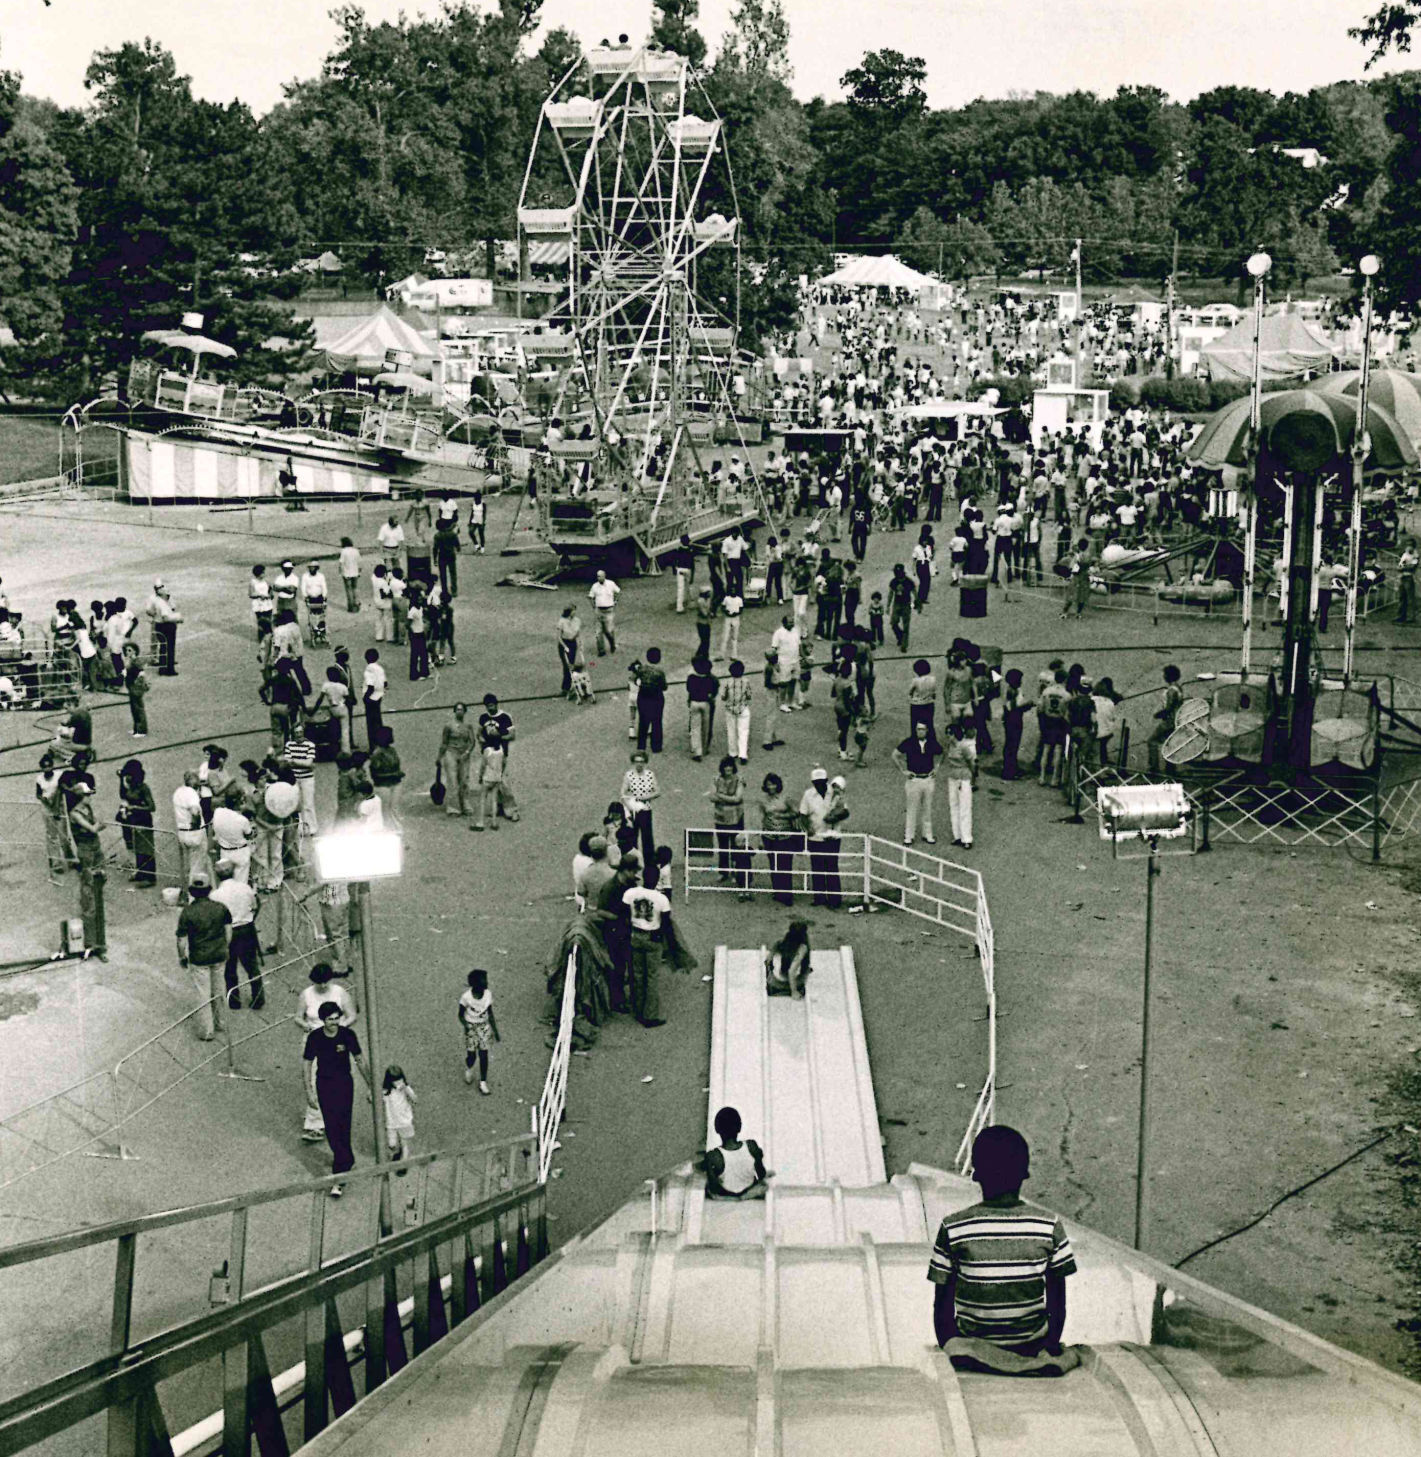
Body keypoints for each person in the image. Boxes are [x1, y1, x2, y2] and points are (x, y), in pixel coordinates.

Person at [928, 1124, 1077, 1370]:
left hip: (972, 1348)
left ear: (976, 1175)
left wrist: (950, 1344)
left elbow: (942, 1304)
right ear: (1024, 1175)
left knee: (960, 1347)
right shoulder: (1049, 1225)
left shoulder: (954, 1227)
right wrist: (1050, 1344)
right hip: (1032, 1346)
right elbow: (1057, 1300)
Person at [303, 1003, 370, 1196]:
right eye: (331, 1019)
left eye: (337, 1018)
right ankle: (345, 1158)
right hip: (324, 1085)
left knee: (343, 1125)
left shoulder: (347, 1035)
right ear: (323, 1020)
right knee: (331, 1128)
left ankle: (339, 1175)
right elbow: (307, 1064)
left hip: (344, 1084)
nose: (335, 1022)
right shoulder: (315, 1038)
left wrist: (371, 1086)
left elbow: (360, 1060)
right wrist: (308, 1091)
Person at [176, 870, 232, 1041]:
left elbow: (181, 940)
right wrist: (224, 947)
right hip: (219, 954)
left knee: (203, 994)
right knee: (219, 990)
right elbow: (228, 932)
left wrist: (182, 957)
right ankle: (221, 1022)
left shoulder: (187, 912)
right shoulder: (220, 908)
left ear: (192, 891)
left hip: (199, 958)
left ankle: (207, 1031)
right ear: (209, 889)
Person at [623, 870, 672, 1026]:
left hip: (635, 935)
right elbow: (666, 922)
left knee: (637, 973)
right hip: (652, 937)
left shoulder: (631, 894)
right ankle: (650, 1014)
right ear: (657, 879)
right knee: (652, 976)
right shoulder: (661, 899)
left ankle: (637, 1008)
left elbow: (624, 914)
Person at [212, 859, 262, 1010]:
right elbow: (254, 905)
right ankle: (258, 998)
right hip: (247, 929)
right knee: (252, 965)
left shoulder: (215, 895)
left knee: (230, 967)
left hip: (228, 932)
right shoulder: (245, 888)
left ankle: (234, 1001)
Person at [799, 766, 844, 909]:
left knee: (831, 868)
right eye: (816, 783)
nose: (819, 785)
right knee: (817, 868)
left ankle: (834, 900)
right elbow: (803, 815)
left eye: (822, 782)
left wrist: (834, 818)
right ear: (813, 783)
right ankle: (819, 898)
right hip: (815, 837)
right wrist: (808, 829)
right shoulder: (808, 795)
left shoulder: (836, 793)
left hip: (832, 837)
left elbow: (844, 811)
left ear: (826, 781)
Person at [894, 720, 944, 846]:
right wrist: (903, 770)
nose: (920, 732)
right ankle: (908, 836)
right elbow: (895, 755)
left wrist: (937, 767)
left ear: (927, 731)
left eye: (922, 729)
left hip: (928, 779)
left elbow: (942, 753)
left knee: (927, 808)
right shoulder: (909, 742)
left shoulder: (932, 743)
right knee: (911, 809)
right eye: (918, 729)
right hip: (914, 779)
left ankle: (927, 834)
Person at [704, 1105, 769, 1201]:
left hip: (728, 1197)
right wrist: (759, 1158)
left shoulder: (713, 1156)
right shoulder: (751, 1146)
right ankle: (743, 1197)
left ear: (717, 1129)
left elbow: (714, 1188)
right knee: (763, 1185)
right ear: (739, 1127)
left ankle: (736, 1198)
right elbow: (761, 1174)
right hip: (750, 1193)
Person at [757, 771, 801, 904]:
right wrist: (761, 836)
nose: (771, 787)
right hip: (769, 836)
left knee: (785, 866)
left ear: (778, 785)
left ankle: (787, 895)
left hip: (785, 837)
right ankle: (777, 892)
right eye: (769, 785)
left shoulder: (786, 798)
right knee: (773, 865)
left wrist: (783, 816)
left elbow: (796, 812)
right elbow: (762, 818)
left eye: (773, 785)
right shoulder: (763, 800)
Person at [458, 968, 500, 1091]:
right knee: (472, 1055)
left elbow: (490, 1013)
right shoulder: (466, 998)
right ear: (475, 985)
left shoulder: (488, 994)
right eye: (484, 981)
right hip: (471, 1027)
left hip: (484, 1027)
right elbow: (460, 1015)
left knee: (484, 1055)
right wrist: (466, 1025)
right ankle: (469, 1067)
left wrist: (495, 1031)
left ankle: (483, 1081)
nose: (487, 983)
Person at [116, 760, 156, 885]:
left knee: (145, 848)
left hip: (143, 820)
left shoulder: (143, 788)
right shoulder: (127, 784)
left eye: (129, 776)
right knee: (137, 848)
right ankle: (140, 872)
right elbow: (122, 795)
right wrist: (120, 779)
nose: (127, 778)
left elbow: (152, 807)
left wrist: (135, 808)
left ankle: (150, 877)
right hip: (132, 819)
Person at [944, 716, 978, 849]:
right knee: (954, 806)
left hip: (963, 778)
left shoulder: (963, 746)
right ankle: (957, 835)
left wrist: (972, 778)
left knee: (964, 807)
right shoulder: (950, 746)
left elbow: (971, 763)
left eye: (950, 734)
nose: (948, 737)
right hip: (952, 778)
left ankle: (967, 838)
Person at [439, 702, 477, 816]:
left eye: (461, 710)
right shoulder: (448, 725)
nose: (459, 711)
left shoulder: (468, 725)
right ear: (454, 711)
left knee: (464, 780)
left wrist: (467, 752)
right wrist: (439, 757)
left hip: (464, 754)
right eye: (457, 709)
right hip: (451, 753)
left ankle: (465, 804)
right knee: (452, 781)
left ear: (465, 712)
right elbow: (444, 743)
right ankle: (453, 808)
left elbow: (472, 741)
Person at [1147, 664, 1183, 775]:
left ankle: (1154, 767)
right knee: (1169, 743)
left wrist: (1158, 715)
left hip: (1168, 721)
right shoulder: (1178, 688)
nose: (1163, 677)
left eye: (1164, 674)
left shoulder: (1171, 690)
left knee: (1152, 741)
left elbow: (1169, 707)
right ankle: (1170, 768)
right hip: (1176, 720)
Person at [765, 918, 811, 998]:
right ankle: (790, 988)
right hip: (791, 982)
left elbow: (768, 960)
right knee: (804, 969)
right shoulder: (802, 948)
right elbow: (791, 971)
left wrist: (769, 974)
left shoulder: (781, 942)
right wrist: (794, 992)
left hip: (776, 980)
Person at [382, 1066, 417, 1166]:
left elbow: (415, 1099)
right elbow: (374, 1099)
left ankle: (403, 1165)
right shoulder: (386, 1092)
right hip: (391, 1123)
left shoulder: (405, 1089)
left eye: (400, 1080)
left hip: (404, 1121)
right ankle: (397, 1152)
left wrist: (406, 1089)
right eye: (395, 1081)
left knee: (404, 1143)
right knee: (391, 1144)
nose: (398, 1083)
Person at [685, 655, 718, 760]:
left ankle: (697, 751)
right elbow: (715, 690)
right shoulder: (711, 679)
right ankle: (705, 748)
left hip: (694, 702)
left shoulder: (691, 678)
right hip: (706, 703)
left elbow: (689, 689)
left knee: (695, 728)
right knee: (706, 726)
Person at [635, 647, 667, 754]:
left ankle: (641, 745)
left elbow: (636, 680)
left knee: (643, 721)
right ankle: (656, 746)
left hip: (643, 696)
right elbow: (664, 686)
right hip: (656, 697)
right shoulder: (660, 672)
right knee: (657, 721)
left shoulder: (642, 669)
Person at [588, 569, 620, 654]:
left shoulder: (611, 584)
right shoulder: (595, 586)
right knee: (598, 632)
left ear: (604, 576)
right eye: (597, 576)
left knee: (609, 630)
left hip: (609, 610)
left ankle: (612, 644)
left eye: (600, 576)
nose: (599, 578)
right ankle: (601, 650)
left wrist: (615, 601)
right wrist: (593, 606)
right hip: (599, 610)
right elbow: (590, 597)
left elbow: (618, 592)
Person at [557, 605, 582, 694]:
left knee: (571, 664)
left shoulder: (577, 620)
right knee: (567, 666)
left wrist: (579, 643)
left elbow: (578, 633)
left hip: (573, 643)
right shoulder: (562, 621)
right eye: (573, 611)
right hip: (564, 644)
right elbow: (559, 637)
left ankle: (572, 684)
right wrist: (565, 647)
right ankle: (565, 688)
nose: (574, 612)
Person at [338, 537, 362, 613]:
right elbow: (359, 563)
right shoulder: (356, 550)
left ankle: (351, 606)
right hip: (355, 573)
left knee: (348, 590)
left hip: (347, 573)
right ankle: (357, 604)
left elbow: (341, 563)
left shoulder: (343, 551)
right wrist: (359, 572)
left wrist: (340, 572)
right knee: (355, 588)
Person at [1397, 538, 1418, 624]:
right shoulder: (1405, 554)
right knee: (1402, 597)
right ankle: (1401, 616)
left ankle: (1411, 617)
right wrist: (1402, 567)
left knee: (1410, 598)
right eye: (1407, 545)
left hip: (1409, 577)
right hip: (1403, 577)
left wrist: (1403, 567)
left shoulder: (1415, 555)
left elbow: (1412, 567)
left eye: (1410, 545)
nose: (1409, 547)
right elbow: (1400, 565)